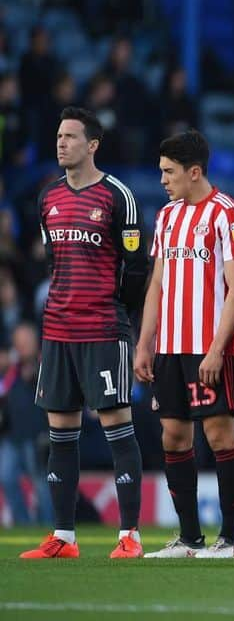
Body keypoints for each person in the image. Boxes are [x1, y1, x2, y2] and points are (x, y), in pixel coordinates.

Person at [20, 106, 149, 559]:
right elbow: (53, 261)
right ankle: (64, 537)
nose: (61, 143)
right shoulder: (48, 198)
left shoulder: (118, 196)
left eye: (70, 137)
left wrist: (120, 314)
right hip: (58, 330)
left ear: (92, 145)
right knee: (60, 431)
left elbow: (137, 268)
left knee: (116, 424)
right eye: (58, 136)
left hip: (101, 328)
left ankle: (129, 535)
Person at [133, 129, 234, 558]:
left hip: (207, 346)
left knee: (220, 434)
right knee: (173, 437)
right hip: (169, 348)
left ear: (194, 171)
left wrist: (218, 348)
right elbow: (157, 284)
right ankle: (188, 538)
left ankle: (230, 540)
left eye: (168, 172)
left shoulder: (227, 215)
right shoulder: (166, 217)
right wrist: (145, 343)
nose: (162, 180)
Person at [0, 322, 51, 525]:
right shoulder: (10, 372)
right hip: (12, 436)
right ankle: (23, 524)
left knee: (41, 484)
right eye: (19, 342)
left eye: (26, 341)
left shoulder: (45, 366)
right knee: (6, 476)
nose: (22, 346)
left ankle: (49, 525)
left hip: (37, 436)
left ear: (35, 341)